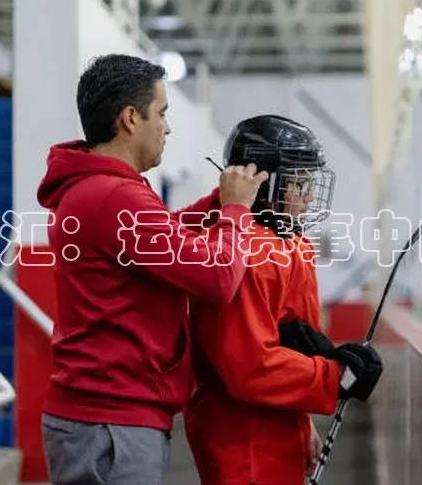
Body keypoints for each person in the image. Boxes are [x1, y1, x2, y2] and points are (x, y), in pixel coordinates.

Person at [35, 53, 268, 484]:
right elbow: (217, 278)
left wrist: (218, 202)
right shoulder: (115, 197)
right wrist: (235, 210)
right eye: (161, 112)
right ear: (130, 118)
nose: (167, 126)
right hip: (111, 426)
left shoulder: (96, 189)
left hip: (101, 420)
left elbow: (162, 235)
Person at [183, 114, 384, 485]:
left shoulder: (294, 245)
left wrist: (303, 418)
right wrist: (333, 377)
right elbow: (248, 367)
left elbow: (293, 343)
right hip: (244, 438)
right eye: (300, 184)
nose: (308, 197)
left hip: (278, 427)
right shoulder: (247, 252)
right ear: (265, 185)